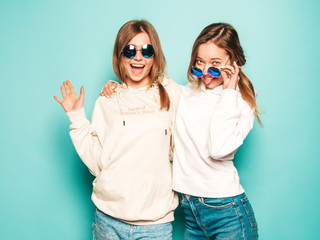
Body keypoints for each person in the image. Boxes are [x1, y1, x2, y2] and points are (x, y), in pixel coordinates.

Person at [102, 22, 260, 239]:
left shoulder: (240, 102)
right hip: (191, 212)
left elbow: (219, 148)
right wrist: (118, 87)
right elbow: (148, 87)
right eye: (200, 62)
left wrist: (229, 92)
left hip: (227, 211)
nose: (205, 72)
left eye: (215, 64)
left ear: (233, 63)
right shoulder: (186, 93)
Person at [54, 20, 181, 240]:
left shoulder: (170, 93)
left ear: (155, 56)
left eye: (146, 50)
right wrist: (76, 117)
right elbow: (97, 161)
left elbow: (195, 119)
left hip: (155, 226)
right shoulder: (107, 101)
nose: (138, 57)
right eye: (130, 50)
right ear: (119, 56)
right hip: (108, 220)